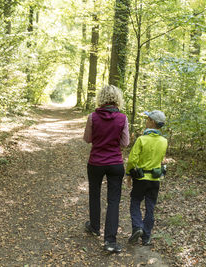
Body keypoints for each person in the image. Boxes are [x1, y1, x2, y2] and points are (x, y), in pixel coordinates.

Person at [83, 85, 129, 253]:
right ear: (117, 99)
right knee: (114, 201)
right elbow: (125, 143)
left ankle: (94, 226)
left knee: (94, 194)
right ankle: (110, 241)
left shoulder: (92, 117)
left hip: (95, 162)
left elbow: (87, 139)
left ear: (101, 98)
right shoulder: (123, 118)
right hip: (115, 163)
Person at [126, 110, 168, 246]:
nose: (146, 121)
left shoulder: (141, 139)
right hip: (155, 180)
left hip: (141, 179)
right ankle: (147, 237)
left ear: (153, 123)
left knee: (135, 202)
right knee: (150, 207)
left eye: (148, 119)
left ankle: (138, 227)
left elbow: (132, 160)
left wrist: (128, 175)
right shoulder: (164, 141)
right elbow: (161, 160)